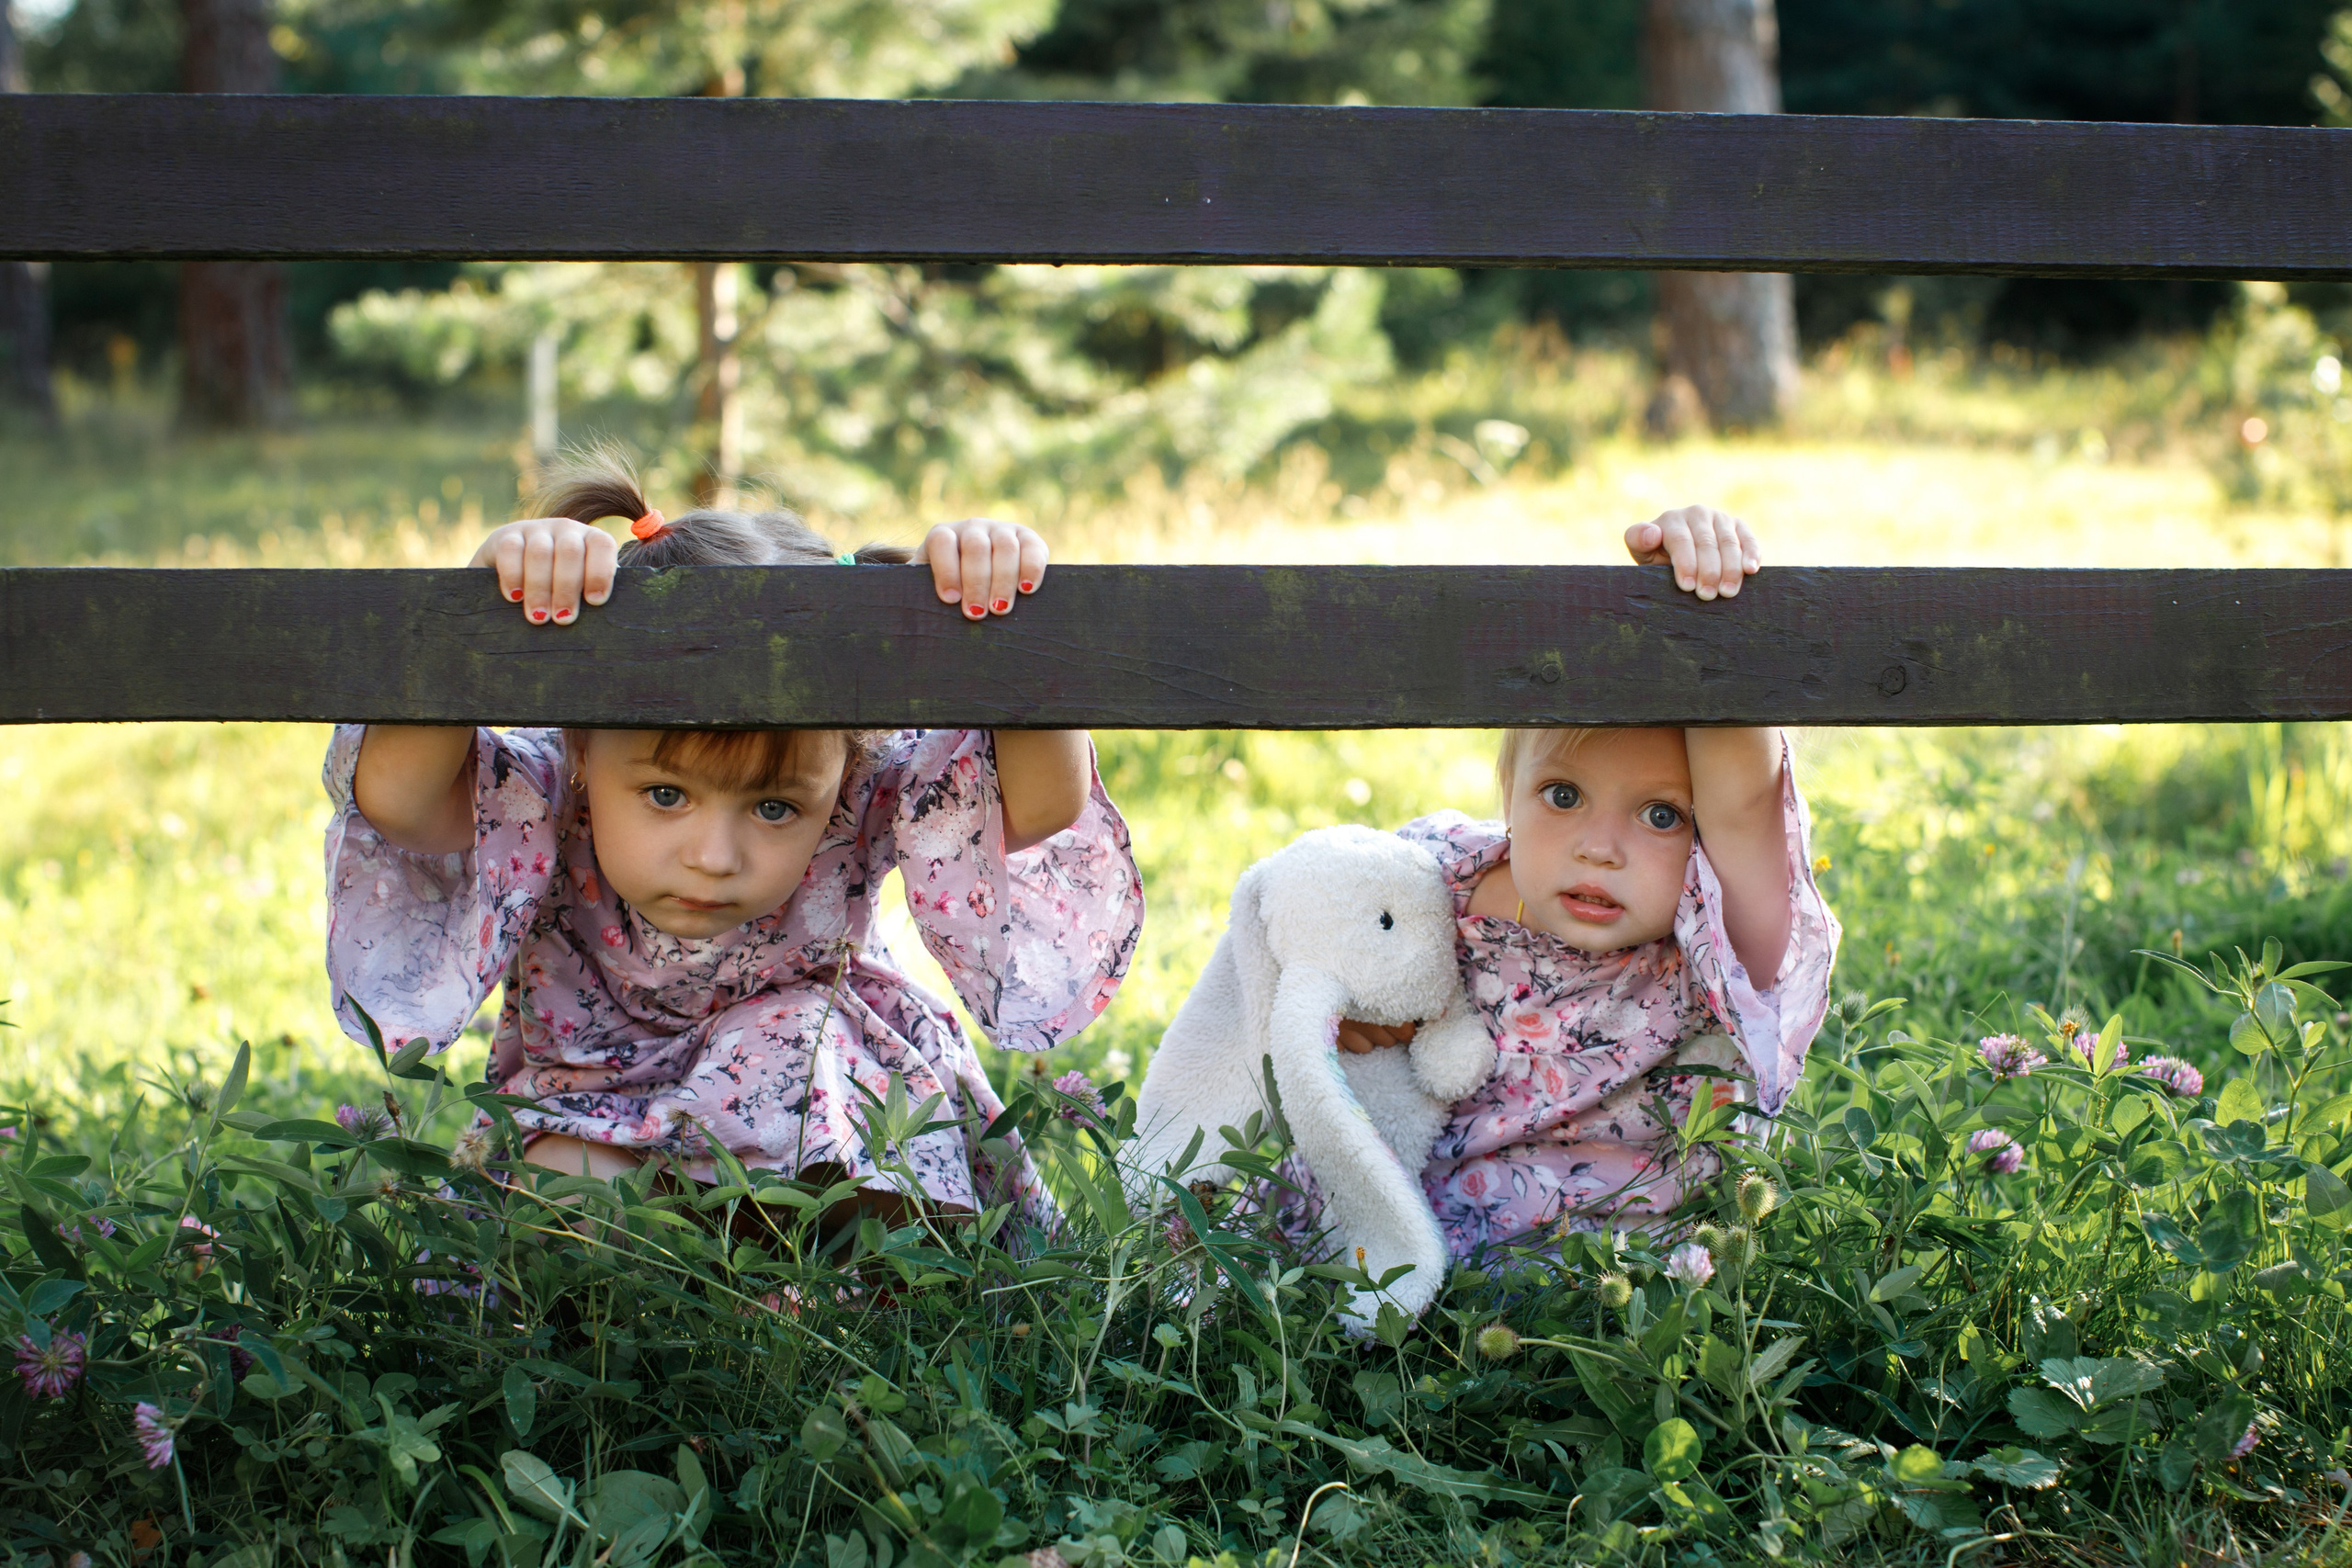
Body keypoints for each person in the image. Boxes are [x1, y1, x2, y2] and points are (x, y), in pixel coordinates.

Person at [322, 451, 1143, 1233]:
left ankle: (834, 1305)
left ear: (845, 772)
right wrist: (475, 607)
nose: (715, 855)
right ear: (581, 746)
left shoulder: (862, 794)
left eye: (776, 808)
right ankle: (677, 1325)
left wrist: (1008, 622)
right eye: (667, 794)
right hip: (593, 1113)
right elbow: (397, 798)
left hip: (821, 1124)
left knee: (792, 1037)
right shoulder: (548, 794)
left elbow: (1038, 804)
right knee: (569, 1193)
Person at [1327, 505, 1839, 1260]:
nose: (1600, 848)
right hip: (1429, 1277)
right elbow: (1303, 955)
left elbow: (1745, 803)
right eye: (1562, 796)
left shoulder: (1710, 941)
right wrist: (1341, 1017)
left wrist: (1704, 612)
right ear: (1510, 798)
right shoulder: (1441, 889)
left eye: (1661, 814)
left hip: (1627, 1301)